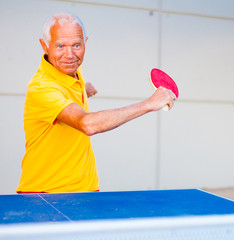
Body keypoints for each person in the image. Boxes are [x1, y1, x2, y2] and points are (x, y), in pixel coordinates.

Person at [16, 13, 176, 194]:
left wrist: (83, 90)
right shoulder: (42, 88)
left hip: (86, 191)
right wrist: (149, 103)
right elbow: (87, 124)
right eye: (60, 46)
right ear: (44, 46)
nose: (69, 54)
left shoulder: (71, 70)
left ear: (85, 42)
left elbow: (66, 90)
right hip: (47, 196)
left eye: (76, 45)